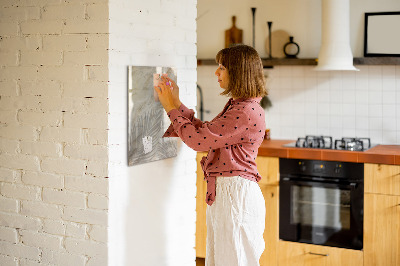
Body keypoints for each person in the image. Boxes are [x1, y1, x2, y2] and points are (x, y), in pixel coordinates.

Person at [154, 44, 267, 266]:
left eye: (222, 67)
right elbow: (206, 133)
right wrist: (176, 103)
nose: (217, 72)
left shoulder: (244, 111)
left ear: (238, 72)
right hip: (230, 194)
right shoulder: (240, 106)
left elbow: (198, 141)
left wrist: (170, 108)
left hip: (235, 196)